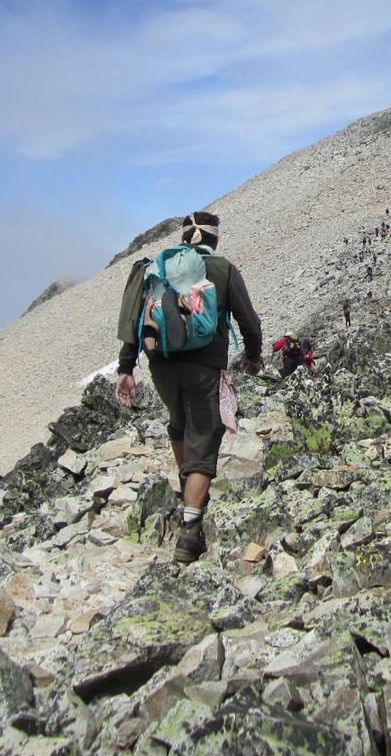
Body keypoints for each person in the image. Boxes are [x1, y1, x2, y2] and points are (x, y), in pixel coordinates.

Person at [115, 211, 263, 564]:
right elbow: (250, 322)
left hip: (161, 365)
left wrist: (126, 368)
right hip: (203, 367)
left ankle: (190, 500)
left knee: (179, 426)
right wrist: (253, 358)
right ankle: (190, 532)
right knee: (204, 434)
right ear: (215, 239)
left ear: (184, 237)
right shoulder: (222, 269)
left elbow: (136, 320)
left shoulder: (158, 269)